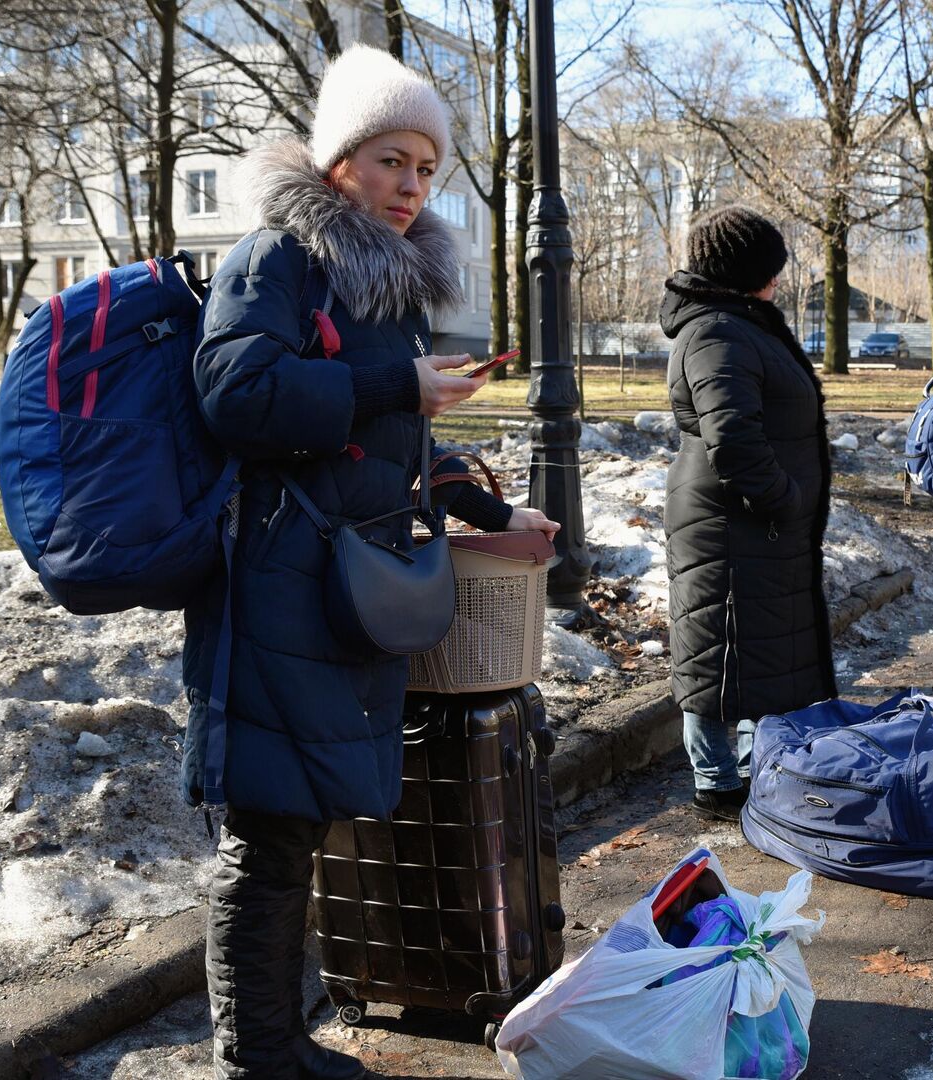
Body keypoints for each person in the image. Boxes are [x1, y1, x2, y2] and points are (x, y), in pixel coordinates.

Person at [184, 45, 558, 1079]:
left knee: (298, 825)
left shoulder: (381, 287)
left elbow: (393, 448)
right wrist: (398, 385)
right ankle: (257, 1052)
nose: (410, 185)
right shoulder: (278, 259)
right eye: (391, 160)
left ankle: (273, 1040)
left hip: (340, 590)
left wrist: (488, 506)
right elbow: (235, 394)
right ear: (340, 158)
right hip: (277, 587)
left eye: (426, 169)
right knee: (268, 832)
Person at [662, 206, 834, 821]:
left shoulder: (736, 325)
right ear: (746, 272)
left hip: (750, 521)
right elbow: (733, 437)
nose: (778, 282)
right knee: (720, 647)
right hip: (730, 522)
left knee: (751, 648)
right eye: (771, 269)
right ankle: (716, 780)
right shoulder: (716, 333)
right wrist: (784, 498)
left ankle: (751, 765)